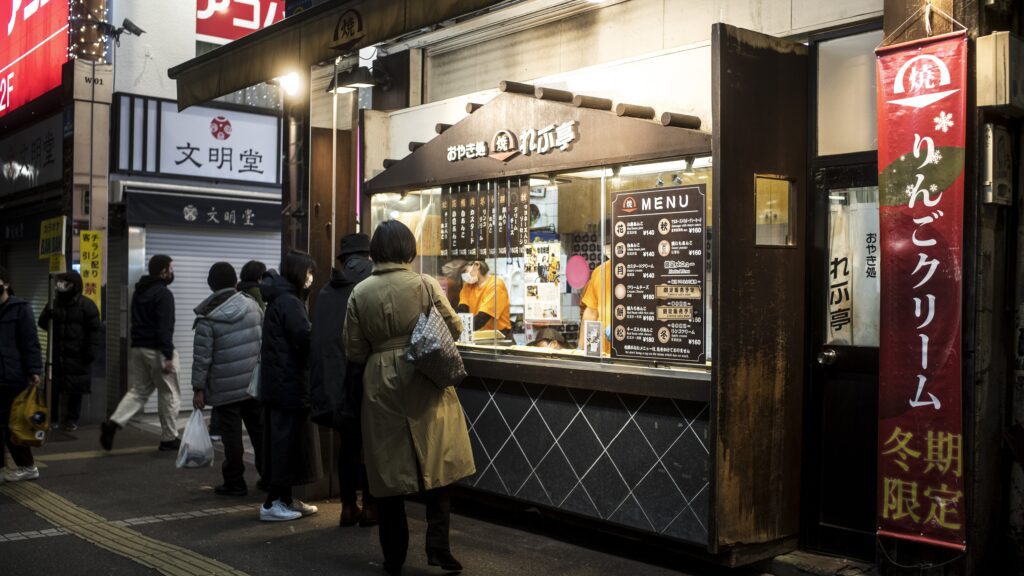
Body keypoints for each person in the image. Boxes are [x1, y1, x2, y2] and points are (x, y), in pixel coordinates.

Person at [344, 220, 475, 576]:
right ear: (409, 248)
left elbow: (354, 349)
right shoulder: (423, 283)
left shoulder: (361, 291)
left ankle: (393, 558)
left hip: (379, 383)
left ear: (375, 251)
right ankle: (438, 549)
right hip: (425, 376)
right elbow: (454, 327)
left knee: (388, 474)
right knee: (438, 463)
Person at [310, 233, 377, 527]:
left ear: (344, 260)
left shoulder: (327, 289)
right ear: (369, 256)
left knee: (347, 445)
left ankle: (348, 506)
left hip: (336, 383)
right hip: (367, 377)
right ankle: (372, 507)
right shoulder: (373, 283)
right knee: (374, 446)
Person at [191, 262, 265, 497]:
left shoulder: (208, 318)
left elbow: (202, 358)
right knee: (260, 433)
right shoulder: (253, 306)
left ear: (211, 285)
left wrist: (198, 389)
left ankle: (235, 482)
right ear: (235, 282)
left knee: (232, 438)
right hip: (253, 384)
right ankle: (269, 477)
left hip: (224, 389)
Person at [259, 250, 322, 521]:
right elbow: (304, 339)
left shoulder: (281, 299)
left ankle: (284, 498)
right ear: (299, 272)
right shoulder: (289, 302)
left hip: (280, 384)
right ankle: (273, 503)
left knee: (286, 443)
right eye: (309, 272)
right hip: (289, 385)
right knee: (286, 445)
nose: (311, 278)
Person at [101, 254, 180, 451]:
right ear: (163, 271)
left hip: (138, 348)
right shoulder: (163, 294)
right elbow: (165, 326)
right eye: (171, 269)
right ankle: (169, 437)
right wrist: (168, 355)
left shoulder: (140, 291)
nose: (172, 272)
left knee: (139, 390)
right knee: (168, 392)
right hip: (158, 350)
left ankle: (113, 423)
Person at [38, 271, 102, 430]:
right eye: (60, 283)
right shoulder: (54, 304)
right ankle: (52, 419)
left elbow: (94, 332)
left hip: (77, 355)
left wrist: (90, 353)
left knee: (75, 388)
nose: (61, 286)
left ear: (74, 285)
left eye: (65, 283)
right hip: (57, 354)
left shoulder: (86, 305)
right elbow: (42, 323)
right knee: (53, 388)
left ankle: (72, 420)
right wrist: (48, 315)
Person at [0, 266, 43, 482]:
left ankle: (28, 466)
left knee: (12, 425)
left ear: (5, 283)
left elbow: (30, 343)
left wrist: (34, 370)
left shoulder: (20, 308)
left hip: (12, 376)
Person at [457, 260, 511, 337]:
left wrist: (464, 330)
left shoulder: (496, 285)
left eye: (466, 272)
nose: (465, 275)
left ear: (477, 266)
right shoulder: (468, 285)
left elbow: (482, 317)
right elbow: (462, 308)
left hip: (497, 335)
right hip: (476, 332)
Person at [579, 258, 612, 354]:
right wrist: (582, 348)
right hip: (602, 353)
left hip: (630, 353)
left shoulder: (641, 270)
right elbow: (591, 313)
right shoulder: (599, 272)